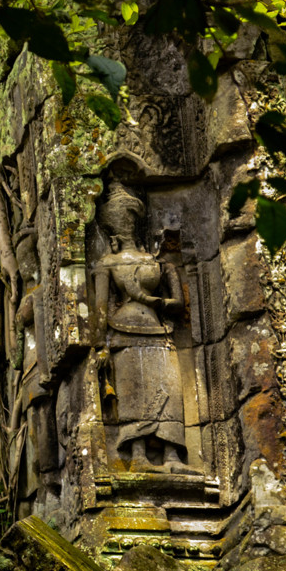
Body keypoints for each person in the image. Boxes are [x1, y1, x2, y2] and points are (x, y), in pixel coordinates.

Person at [93, 182, 200, 475]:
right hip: (124, 332)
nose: (125, 225)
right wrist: (101, 345)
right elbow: (101, 310)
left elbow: (177, 304)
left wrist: (153, 299)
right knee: (134, 392)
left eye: (128, 219)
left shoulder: (156, 261)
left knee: (168, 387)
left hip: (159, 332)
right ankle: (138, 455)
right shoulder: (108, 262)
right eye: (119, 220)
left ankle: (172, 456)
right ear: (111, 228)